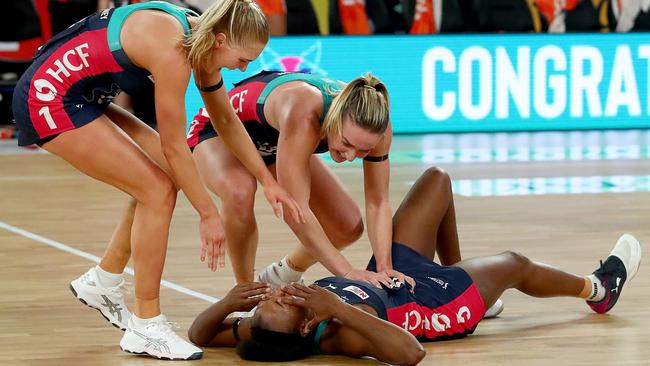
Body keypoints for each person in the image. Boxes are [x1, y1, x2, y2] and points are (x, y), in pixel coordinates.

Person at [12, 0, 304, 360]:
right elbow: (173, 145)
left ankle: (103, 281)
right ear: (222, 40)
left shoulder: (202, 38)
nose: (244, 67)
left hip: (84, 94)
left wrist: (267, 180)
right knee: (158, 189)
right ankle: (145, 325)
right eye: (243, 58)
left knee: (164, 177)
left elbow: (226, 120)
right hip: (49, 96)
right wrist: (208, 213)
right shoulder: (173, 50)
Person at [187, 167, 642, 363]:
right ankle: (599, 289)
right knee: (515, 263)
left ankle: (471, 279)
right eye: (284, 303)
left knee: (435, 183)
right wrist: (340, 309)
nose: (280, 293)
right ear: (305, 327)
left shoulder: (262, 330)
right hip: (435, 304)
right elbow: (410, 354)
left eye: (268, 301)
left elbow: (199, 335)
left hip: (391, 277)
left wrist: (230, 301)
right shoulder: (338, 336)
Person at [187, 70, 416, 291]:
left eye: (363, 150)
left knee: (347, 226)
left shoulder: (380, 130)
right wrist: (347, 272)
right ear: (335, 117)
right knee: (240, 191)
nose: (350, 156)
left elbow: (378, 202)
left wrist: (385, 267)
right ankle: (246, 292)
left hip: (276, 139)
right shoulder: (304, 113)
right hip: (218, 130)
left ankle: (282, 274)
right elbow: (295, 211)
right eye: (346, 143)